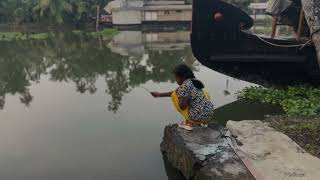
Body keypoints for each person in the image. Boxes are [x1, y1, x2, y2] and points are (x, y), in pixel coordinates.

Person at [151, 64, 214, 131]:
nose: (176, 80)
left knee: (175, 97)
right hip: (209, 114)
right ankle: (203, 123)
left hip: (196, 117)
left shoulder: (184, 87)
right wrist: (159, 94)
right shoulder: (196, 82)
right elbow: (176, 92)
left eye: (176, 77)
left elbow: (182, 107)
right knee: (204, 93)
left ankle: (189, 123)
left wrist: (182, 98)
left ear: (182, 77)